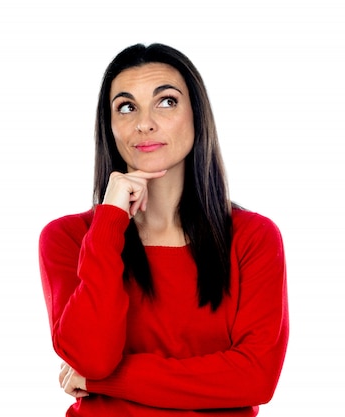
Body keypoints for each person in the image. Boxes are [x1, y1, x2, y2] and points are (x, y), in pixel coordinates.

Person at [38, 43, 289, 416]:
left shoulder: (253, 237)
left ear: (197, 115)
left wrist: (102, 381)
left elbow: (255, 378)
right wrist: (109, 221)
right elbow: (91, 356)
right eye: (126, 107)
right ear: (109, 127)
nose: (144, 123)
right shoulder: (69, 238)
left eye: (166, 101)